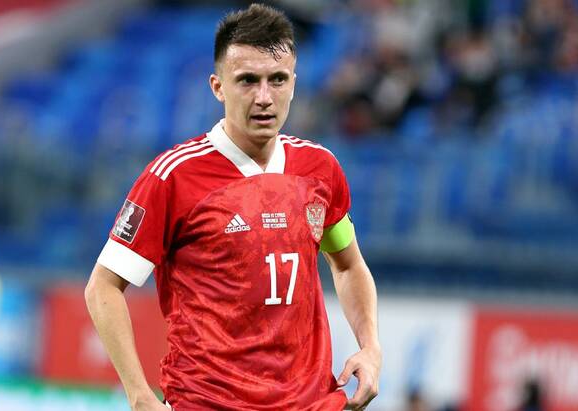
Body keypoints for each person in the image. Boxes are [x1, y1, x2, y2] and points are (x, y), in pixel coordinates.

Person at [85, 4, 382, 410]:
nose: (264, 98)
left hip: (311, 402)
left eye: (277, 80)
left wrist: (370, 347)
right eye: (247, 80)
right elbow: (103, 286)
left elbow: (348, 266)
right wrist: (139, 396)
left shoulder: (320, 168)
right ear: (218, 86)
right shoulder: (172, 176)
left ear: (294, 83)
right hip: (209, 402)